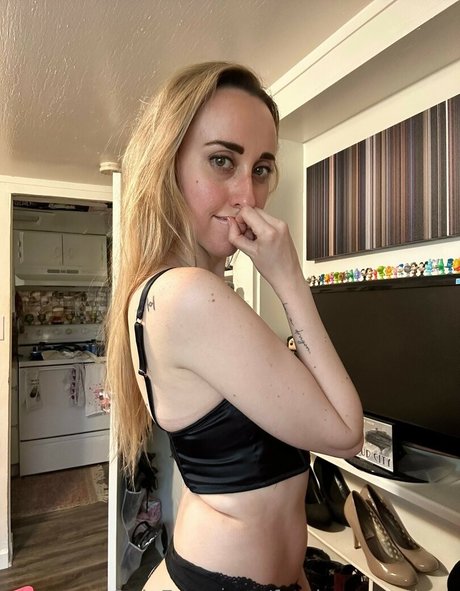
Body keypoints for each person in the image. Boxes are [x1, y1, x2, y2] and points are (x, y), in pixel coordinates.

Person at [106, 61, 363, 591]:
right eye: (222, 160)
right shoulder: (188, 296)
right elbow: (345, 433)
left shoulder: (158, 292)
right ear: (169, 165)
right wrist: (289, 277)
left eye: (262, 168)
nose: (248, 193)